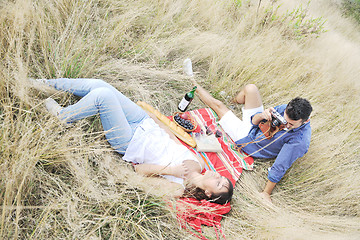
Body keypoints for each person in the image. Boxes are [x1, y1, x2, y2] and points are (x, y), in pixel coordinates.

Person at [35, 78, 233, 204]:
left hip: (129, 140)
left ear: (208, 194)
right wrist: (152, 117)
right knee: (101, 85)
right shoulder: (198, 163)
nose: (218, 177)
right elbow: (171, 137)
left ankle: (63, 116)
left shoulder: (178, 189)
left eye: (219, 184)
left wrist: (170, 170)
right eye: (222, 178)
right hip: (144, 123)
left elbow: (138, 172)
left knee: (103, 96)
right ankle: (44, 83)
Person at [191, 80, 312, 203]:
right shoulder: (287, 109)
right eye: (284, 120)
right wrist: (262, 115)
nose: (286, 125)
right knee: (250, 89)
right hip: (255, 126)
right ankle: (233, 103)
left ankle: (192, 83)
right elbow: (254, 121)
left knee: (218, 106)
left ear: (305, 121)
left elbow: (280, 166)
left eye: (291, 124)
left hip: (249, 140)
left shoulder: (299, 141)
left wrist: (266, 193)